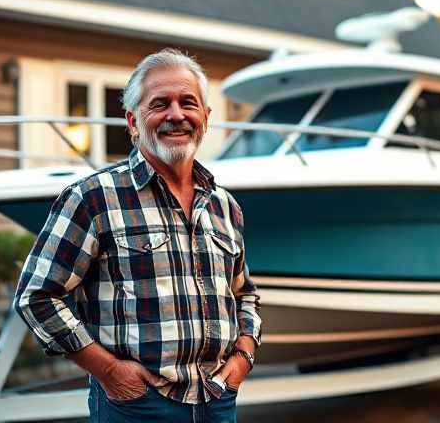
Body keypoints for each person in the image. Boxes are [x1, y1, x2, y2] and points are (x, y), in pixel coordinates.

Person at [14, 48, 261, 423]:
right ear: (132, 122)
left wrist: (243, 355)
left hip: (217, 399)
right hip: (137, 405)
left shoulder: (224, 205)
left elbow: (244, 294)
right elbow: (36, 297)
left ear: (206, 118)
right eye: (159, 104)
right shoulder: (93, 197)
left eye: (188, 103)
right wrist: (110, 371)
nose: (176, 115)